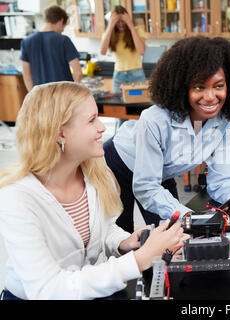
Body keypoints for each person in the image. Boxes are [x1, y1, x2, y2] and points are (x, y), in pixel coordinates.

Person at [0, 82, 185, 300]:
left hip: (86, 290)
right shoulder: (16, 198)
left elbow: (103, 229)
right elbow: (47, 289)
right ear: (60, 133)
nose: (102, 127)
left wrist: (124, 242)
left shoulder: (95, 175)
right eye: (91, 120)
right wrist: (138, 260)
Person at [103, 36, 230, 233]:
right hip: (118, 164)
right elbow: (146, 187)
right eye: (199, 87)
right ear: (183, 88)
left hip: (162, 172)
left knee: (171, 238)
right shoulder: (155, 120)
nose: (210, 97)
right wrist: (188, 216)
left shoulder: (227, 121)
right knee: (123, 235)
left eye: (218, 86)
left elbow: (223, 180)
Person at [20, 5, 82, 92]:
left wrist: (33, 96)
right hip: (63, 94)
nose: (62, 30)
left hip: (41, 95)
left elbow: (26, 75)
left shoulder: (26, 42)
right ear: (61, 21)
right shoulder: (63, 40)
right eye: (63, 27)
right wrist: (74, 92)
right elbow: (78, 73)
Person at [100, 5, 146, 94]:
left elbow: (141, 51)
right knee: (119, 106)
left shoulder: (137, 30)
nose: (121, 24)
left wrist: (130, 25)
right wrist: (110, 26)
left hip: (136, 75)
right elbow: (102, 51)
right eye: (117, 22)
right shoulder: (109, 35)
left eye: (123, 21)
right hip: (119, 76)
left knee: (138, 105)